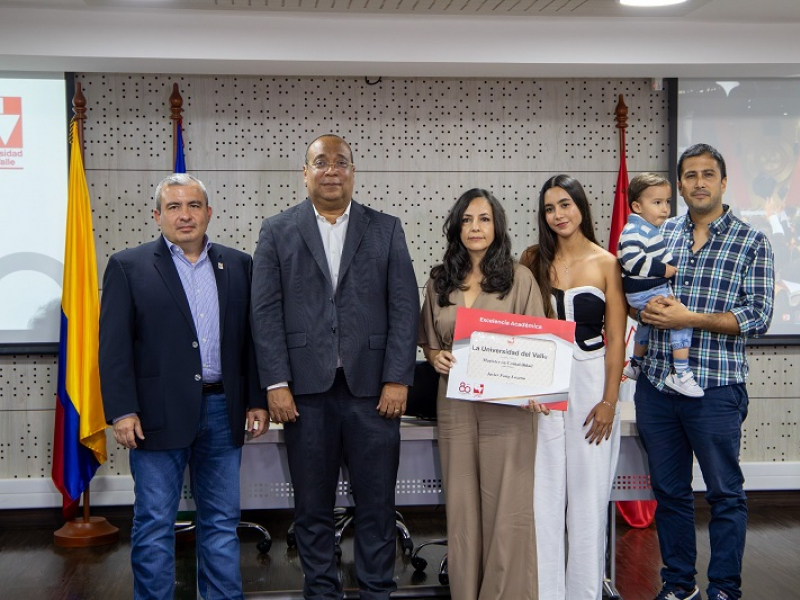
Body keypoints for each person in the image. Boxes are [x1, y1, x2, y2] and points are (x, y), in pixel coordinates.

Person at [250, 134, 419, 600]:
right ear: (305, 173)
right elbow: (264, 312)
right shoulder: (277, 230)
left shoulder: (386, 228)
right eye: (320, 162)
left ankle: (377, 591)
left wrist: (397, 377)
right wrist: (276, 382)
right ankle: (322, 592)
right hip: (304, 394)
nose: (331, 170)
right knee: (312, 507)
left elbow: (405, 307)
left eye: (340, 162)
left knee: (377, 505)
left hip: (374, 393)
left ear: (352, 172)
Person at [99, 173, 268, 600]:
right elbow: (114, 347)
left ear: (208, 213)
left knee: (222, 522)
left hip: (224, 410)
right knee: (155, 522)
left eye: (193, 205)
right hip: (155, 415)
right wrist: (122, 410)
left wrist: (256, 399)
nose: (185, 215)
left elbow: (251, 340)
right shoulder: (128, 266)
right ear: (157, 216)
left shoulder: (239, 264)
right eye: (173, 207)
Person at [635, 144, 774, 600]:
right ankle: (679, 585)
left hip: (716, 389)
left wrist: (689, 319)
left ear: (724, 182)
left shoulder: (751, 241)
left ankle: (724, 589)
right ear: (679, 185)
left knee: (724, 495)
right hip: (657, 385)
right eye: (690, 175)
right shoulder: (661, 234)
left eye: (708, 174)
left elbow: (758, 316)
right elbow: (638, 290)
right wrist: (644, 309)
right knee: (669, 492)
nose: (699, 183)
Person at [419, 188, 543, 600]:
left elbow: (540, 346)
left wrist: (538, 388)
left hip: (508, 408)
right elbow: (429, 341)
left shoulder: (520, 278)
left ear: (497, 226)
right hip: (455, 405)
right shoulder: (439, 280)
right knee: (462, 511)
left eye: (484, 219)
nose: (475, 227)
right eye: (467, 219)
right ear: (456, 227)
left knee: (508, 510)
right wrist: (435, 357)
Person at [521, 174, 627, 600]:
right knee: (542, 496)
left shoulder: (607, 263)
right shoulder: (532, 259)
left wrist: (609, 402)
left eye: (565, 204)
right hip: (543, 383)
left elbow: (616, 337)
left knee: (588, 498)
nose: (558, 214)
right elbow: (521, 327)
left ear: (581, 206)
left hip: (590, 381)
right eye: (549, 208)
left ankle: (584, 593)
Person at [618, 173, 703, 398]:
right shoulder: (635, 230)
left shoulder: (648, 228)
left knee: (645, 324)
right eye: (657, 203)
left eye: (667, 202)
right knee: (681, 320)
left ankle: (635, 363)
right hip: (647, 290)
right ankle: (681, 373)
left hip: (646, 291)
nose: (665, 209)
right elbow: (631, 260)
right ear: (637, 206)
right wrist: (663, 269)